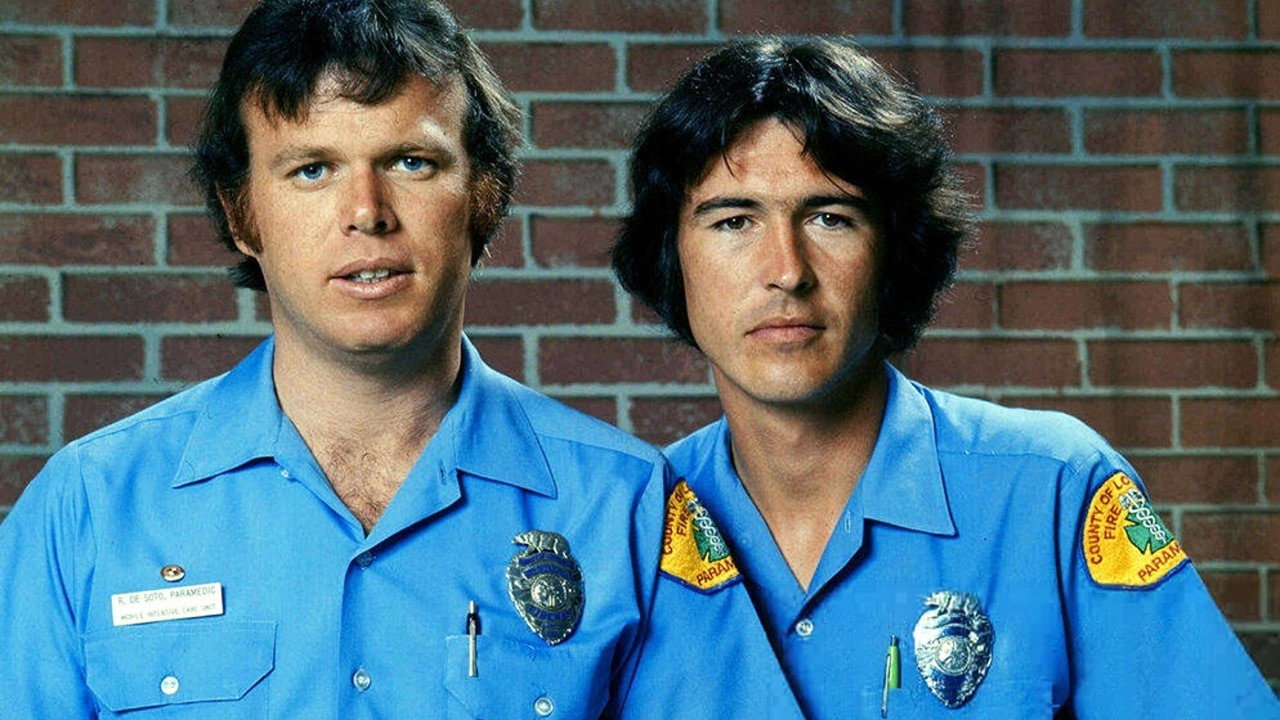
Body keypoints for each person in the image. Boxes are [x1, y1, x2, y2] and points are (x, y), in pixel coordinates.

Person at [0, 1, 670, 717]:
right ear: (241, 215)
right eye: (312, 169)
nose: (366, 212)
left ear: (485, 194)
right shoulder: (88, 506)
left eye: (411, 162)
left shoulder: (626, 505)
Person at [612, 37, 1280, 719]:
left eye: (830, 217)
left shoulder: (1054, 490)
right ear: (671, 256)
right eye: (733, 221)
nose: (786, 270)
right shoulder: (628, 527)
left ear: (896, 251)